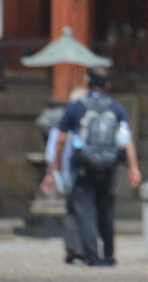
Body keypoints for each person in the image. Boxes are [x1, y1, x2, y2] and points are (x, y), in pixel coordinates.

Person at [54, 71, 141, 267]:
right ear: (107, 85)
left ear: (87, 83)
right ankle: (109, 255)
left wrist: (57, 164)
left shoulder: (76, 108)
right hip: (108, 167)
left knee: (85, 212)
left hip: (83, 167)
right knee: (106, 212)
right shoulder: (116, 108)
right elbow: (126, 140)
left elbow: (60, 139)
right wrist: (133, 167)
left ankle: (92, 256)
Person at [39, 84, 86, 264]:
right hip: (84, 173)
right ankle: (81, 247)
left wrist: (51, 173)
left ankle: (72, 248)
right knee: (85, 210)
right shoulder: (88, 123)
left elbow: (52, 153)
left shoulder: (61, 126)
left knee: (72, 211)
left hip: (67, 173)